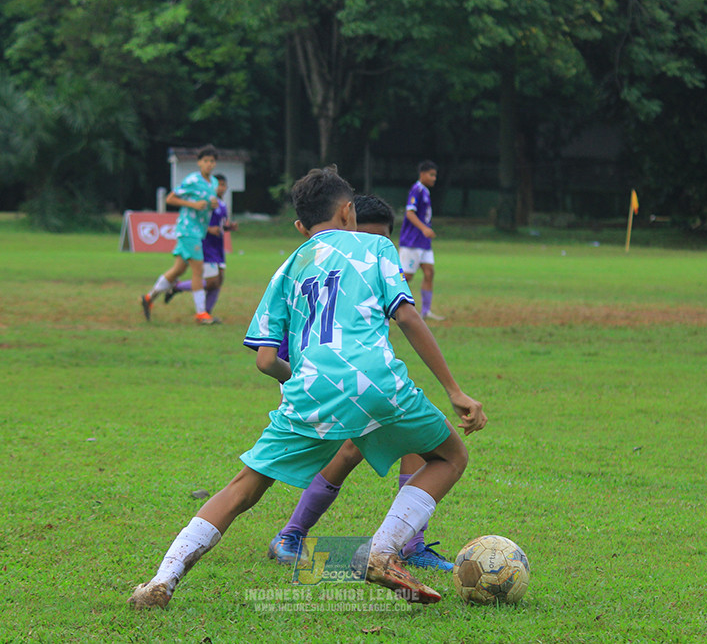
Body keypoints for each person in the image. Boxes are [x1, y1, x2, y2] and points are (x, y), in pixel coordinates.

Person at [127, 166, 487, 609]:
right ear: (348, 211)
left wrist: (302, 380)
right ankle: (382, 551)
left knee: (243, 487)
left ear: (301, 225)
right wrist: (454, 390)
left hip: (309, 390)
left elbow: (264, 360)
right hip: (375, 380)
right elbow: (407, 316)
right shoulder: (377, 245)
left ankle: (162, 580)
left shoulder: (287, 266)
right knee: (451, 455)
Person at [267, 194, 454, 572]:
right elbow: (279, 346)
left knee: (416, 435)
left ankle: (408, 542)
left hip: (367, 378)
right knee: (351, 448)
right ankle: (292, 533)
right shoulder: (316, 269)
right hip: (318, 382)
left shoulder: (379, 263)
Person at [141, 144, 221, 325]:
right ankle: (201, 314)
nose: (209, 164)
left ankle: (148, 297)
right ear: (199, 163)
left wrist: (212, 204)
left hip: (198, 231)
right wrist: (193, 205)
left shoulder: (214, 183)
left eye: (212, 161)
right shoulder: (192, 180)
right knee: (198, 271)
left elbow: (207, 203)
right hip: (188, 229)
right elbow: (170, 198)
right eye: (205, 161)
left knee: (178, 270)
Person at [162, 174, 238, 319]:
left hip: (218, 247)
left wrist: (228, 227)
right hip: (206, 246)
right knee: (211, 282)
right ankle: (178, 287)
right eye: (218, 185)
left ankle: (207, 312)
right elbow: (201, 223)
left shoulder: (221, 205)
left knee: (219, 280)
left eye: (223, 185)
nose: (221, 188)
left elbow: (220, 225)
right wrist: (210, 230)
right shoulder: (206, 203)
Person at [399, 160, 444, 321]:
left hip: (424, 243)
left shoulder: (425, 191)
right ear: (422, 174)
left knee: (429, 272)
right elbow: (410, 213)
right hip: (412, 241)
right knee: (406, 277)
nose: (434, 178)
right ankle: (385, 305)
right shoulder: (416, 190)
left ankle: (425, 311)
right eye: (431, 175)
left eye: (435, 175)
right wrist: (424, 228)